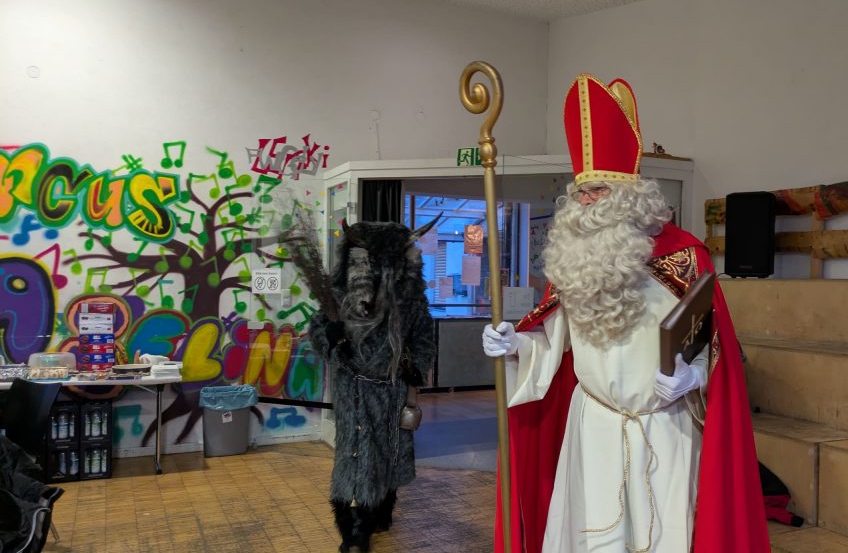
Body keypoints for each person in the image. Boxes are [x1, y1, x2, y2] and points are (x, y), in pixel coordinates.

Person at [481, 74, 769, 552]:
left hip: (666, 427)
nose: (586, 202)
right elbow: (555, 345)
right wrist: (516, 345)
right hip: (592, 427)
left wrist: (692, 379)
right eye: (581, 191)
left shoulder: (685, 258)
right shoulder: (573, 263)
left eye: (597, 190)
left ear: (629, 194)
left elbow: (714, 353)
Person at [309, 219, 437, 553]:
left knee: (389, 451)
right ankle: (353, 529)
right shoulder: (341, 295)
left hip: (392, 388)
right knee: (355, 454)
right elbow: (317, 329)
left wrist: (415, 367)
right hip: (353, 388)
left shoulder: (410, 300)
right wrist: (330, 338)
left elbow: (424, 337)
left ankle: (381, 508)